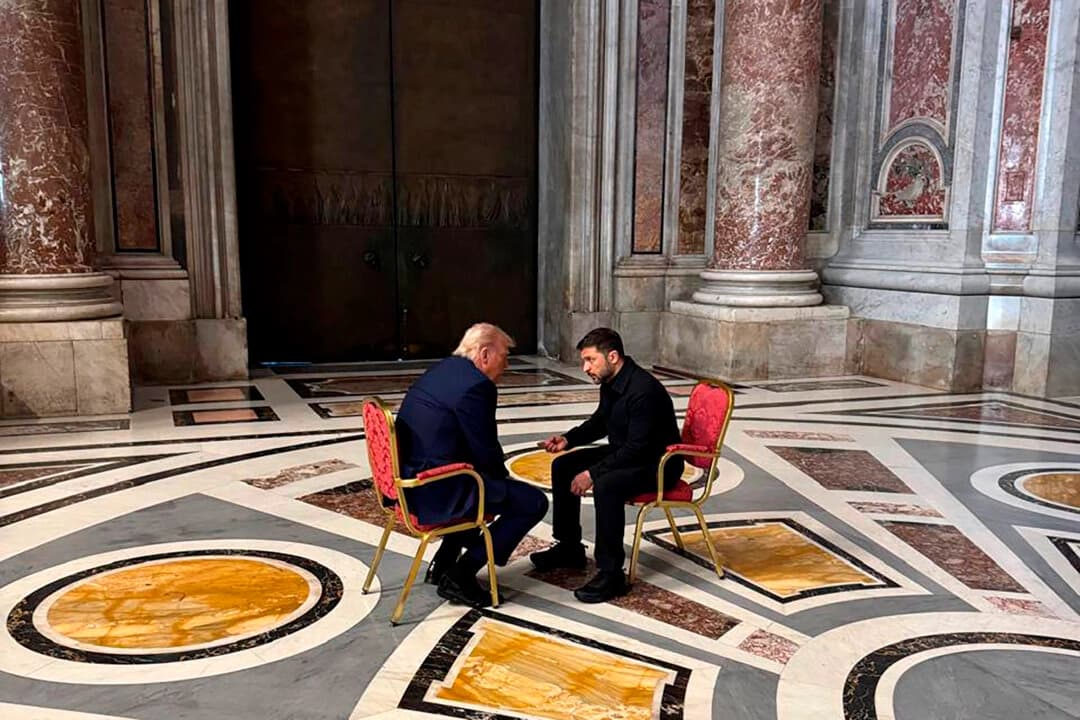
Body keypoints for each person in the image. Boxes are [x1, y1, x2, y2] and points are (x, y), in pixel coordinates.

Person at [395, 323, 548, 607]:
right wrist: (503, 486)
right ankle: (461, 573)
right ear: (485, 353)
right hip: (437, 490)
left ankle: (443, 562)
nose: (507, 364)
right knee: (532, 502)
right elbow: (485, 448)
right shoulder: (477, 386)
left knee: (482, 482)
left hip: (411, 482)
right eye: (505, 356)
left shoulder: (443, 370)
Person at [530, 327, 682, 603]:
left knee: (607, 484)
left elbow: (639, 449)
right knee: (563, 466)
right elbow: (601, 421)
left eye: (590, 360)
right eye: (584, 361)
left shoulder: (643, 391)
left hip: (657, 464)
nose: (585, 367)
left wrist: (592, 473)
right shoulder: (612, 382)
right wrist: (568, 439)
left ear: (612, 356)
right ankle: (569, 547)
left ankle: (612, 573)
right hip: (628, 453)